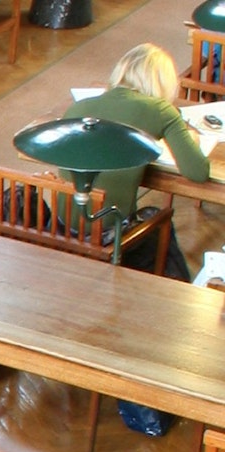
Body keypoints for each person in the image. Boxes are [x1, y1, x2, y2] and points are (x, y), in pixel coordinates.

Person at [62, 42, 208, 281]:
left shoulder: (80, 106)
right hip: (110, 232)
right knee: (157, 217)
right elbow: (197, 172)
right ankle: (175, 295)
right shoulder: (161, 110)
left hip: (62, 226)